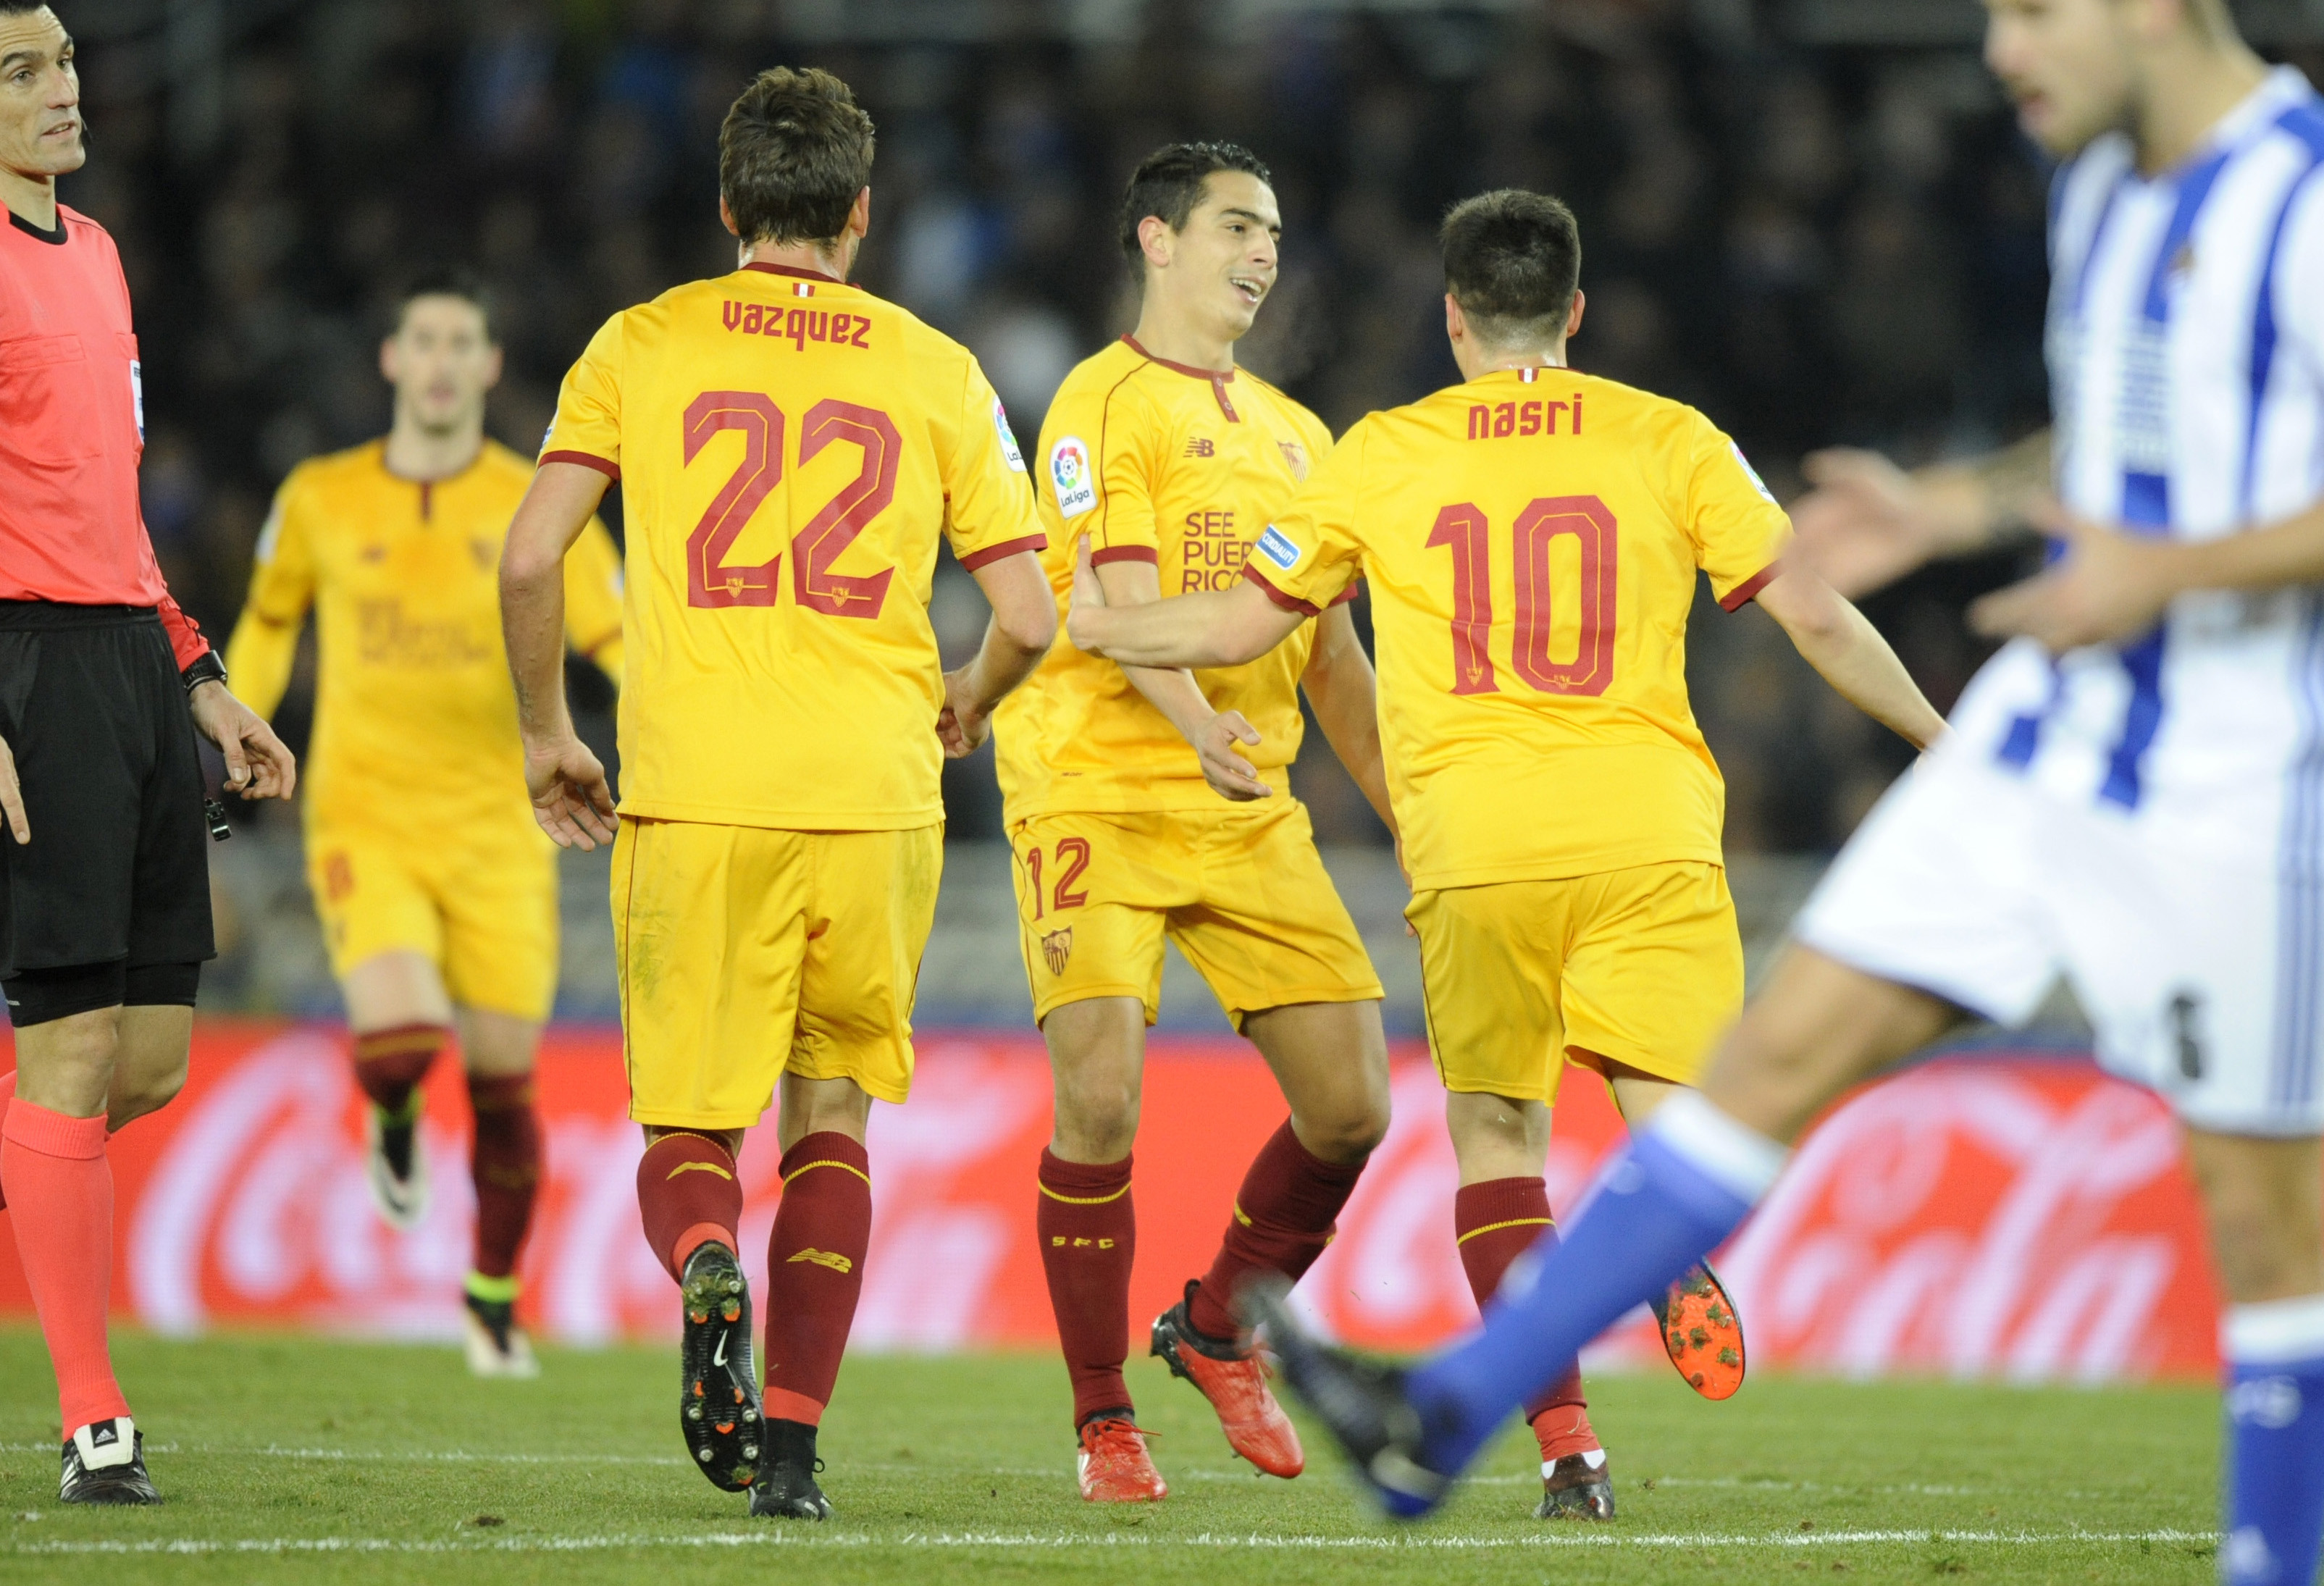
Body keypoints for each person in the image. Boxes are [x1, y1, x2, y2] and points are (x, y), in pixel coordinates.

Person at [1246, 4, 2324, 1577]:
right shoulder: (2104, 183)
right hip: (2050, 726)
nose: (1999, 50)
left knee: (2265, 1231)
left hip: (2238, 766)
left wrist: (2178, 565)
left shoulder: (2296, 196)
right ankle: (1440, 1421)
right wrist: (1958, 501)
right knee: (1775, 1059)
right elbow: (2116, 436)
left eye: (2030, 14)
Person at [1066, 187, 1944, 1519]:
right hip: (1647, 829)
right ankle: (1657, 1247)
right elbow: (1813, 613)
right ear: (1576, 311)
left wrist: (1094, 623)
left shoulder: (1379, 451)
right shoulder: (1671, 438)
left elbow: (1245, 625)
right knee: (1681, 1125)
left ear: (1452, 314)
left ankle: (1567, 1452)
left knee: (1494, 1136)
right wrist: (1942, 737)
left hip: (1475, 845)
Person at [499, 66, 1054, 1521]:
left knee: (689, 1129)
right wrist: (972, 700)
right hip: (874, 793)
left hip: (694, 791)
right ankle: (793, 1458)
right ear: (862, 213)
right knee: (834, 1121)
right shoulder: (938, 367)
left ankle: (703, 1265)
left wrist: (551, 730)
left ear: (728, 205)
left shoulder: (641, 343)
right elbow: (1035, 612)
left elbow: (525, 555)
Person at [991, 140, 1393, 1505]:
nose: (1263, 251)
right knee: (1100, 1100)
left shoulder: (1301, 437)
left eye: (1273, 231)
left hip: (1244, 801)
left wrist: (1415, 818)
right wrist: (1193, 723)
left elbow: (1333, 659)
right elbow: (1110, 600)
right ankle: (1105, 1418)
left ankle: (1215, 1325)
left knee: (1353, 1107)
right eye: (1236, 225)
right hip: (1095, 783)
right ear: (1157, 241)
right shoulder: (1097, 404)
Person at [222, 268, 624, 1379]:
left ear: (490, 368)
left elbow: (616, 634)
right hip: (368, 817)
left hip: (504, 827)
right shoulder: (320, 495)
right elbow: (263, 629)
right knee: (401, 1037)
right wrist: (234, 727)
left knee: (504, 1081)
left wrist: (677, 709)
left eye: (464, 345)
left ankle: (492, 1298)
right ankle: (391, 1113)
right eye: (424, 343)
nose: (443, 363)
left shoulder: (535, 498)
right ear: (392, 361)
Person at [0, 0, 295, 1505]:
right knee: (65, 1052)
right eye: (21, 73)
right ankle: (94, 1421)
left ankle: (28, 1168)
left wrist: (204, 683)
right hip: (25, 665)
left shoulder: (101, 256)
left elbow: (112, 521)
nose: (61, 90)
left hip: (127, 657)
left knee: (154, 1062)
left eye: (58, 61)